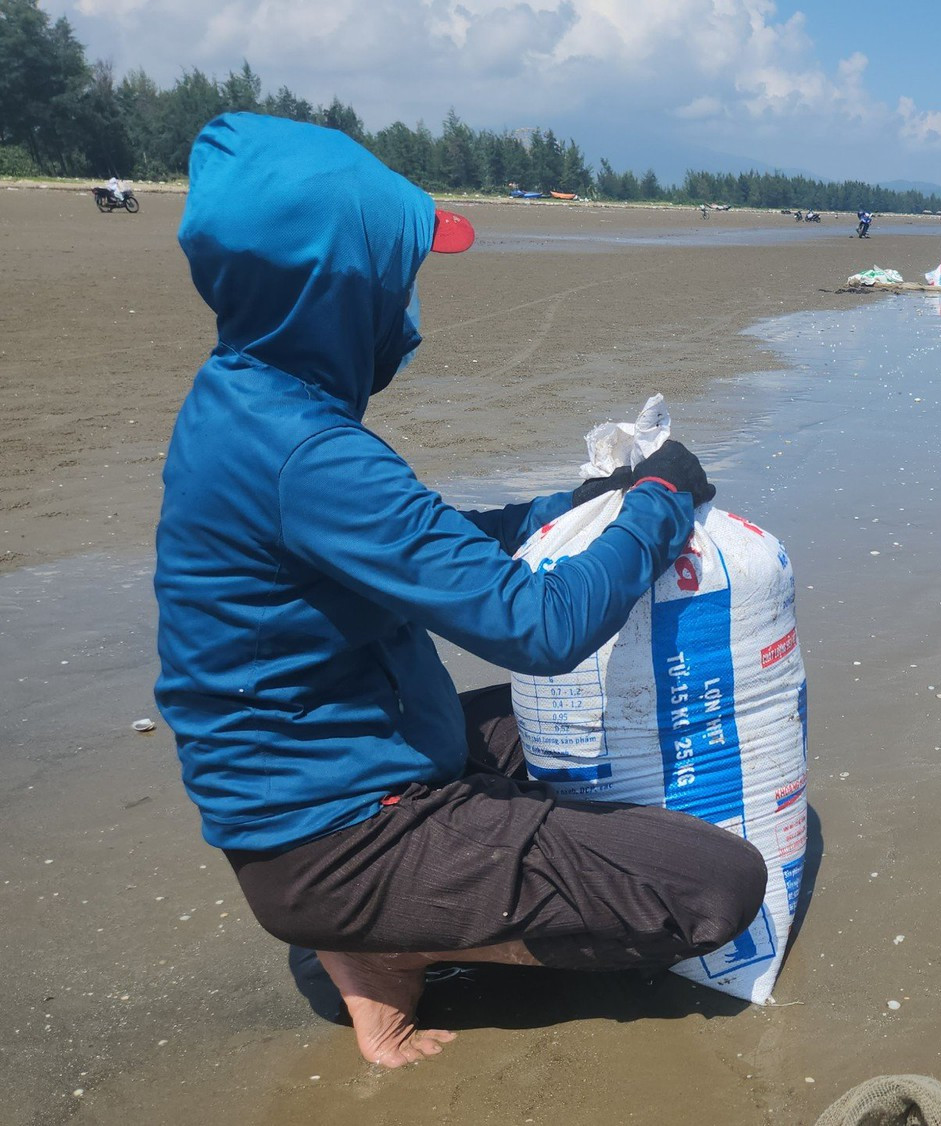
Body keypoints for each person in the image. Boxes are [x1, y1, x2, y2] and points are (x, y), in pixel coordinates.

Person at [155, 113, 767, 1068]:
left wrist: (566, 507)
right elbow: (539, 625)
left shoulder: (247, 399)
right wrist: (658, 502)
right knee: (716, 886)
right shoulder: (308, 453)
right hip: (334, 841)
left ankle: (414, 904)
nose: (406, 302)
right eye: (397, 275)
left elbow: (427, 547)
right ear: (337, 289)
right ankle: (386, 943)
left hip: (347, 771)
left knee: (594, 720)